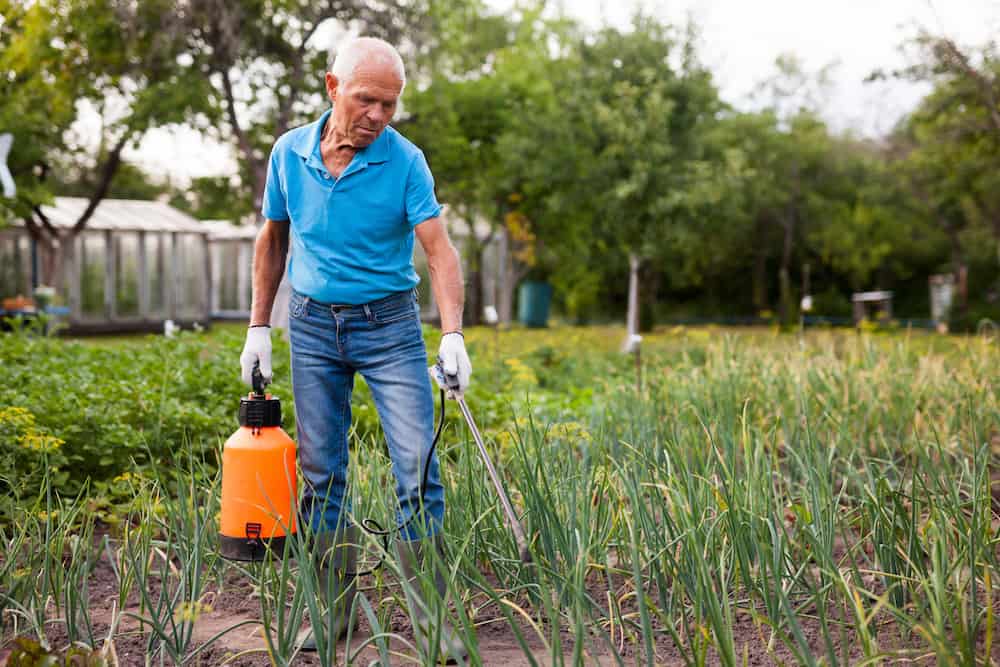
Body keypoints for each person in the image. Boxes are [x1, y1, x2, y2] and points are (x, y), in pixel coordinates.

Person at [238, 36, 471, 662]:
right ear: (332, 86)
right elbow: (272, 239)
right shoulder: (289, 153)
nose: (377, 116)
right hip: (312, 327)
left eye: (390, 105)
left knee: (417, 469)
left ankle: (430, 626)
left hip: (390, 326)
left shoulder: (405, 162)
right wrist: (259, 326)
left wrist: (452, 333)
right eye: (367, 99)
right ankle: (335, 618)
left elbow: (439, 250)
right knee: (320, 476)